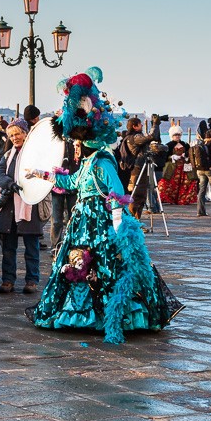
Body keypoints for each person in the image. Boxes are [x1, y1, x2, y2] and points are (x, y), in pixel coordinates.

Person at [26, 67, 183, 344]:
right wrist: (40, 174)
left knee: (106, 265)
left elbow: (117, 192)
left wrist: (119, 225)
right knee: (77, 263)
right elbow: (73, 182)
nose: (75, 147)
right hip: (83, 221)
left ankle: (112, 316)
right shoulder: (87, 162)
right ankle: (79, 314)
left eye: (77, 143)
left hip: (101, 222)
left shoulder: (102, 161)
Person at [0, 118, 43, 294]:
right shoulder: (8, 155)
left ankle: (32, 280)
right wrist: (9, 184)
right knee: (8, 246)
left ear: (25, 133)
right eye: (11, 135)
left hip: (29, 202)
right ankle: (8, 280)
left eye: (17, 134)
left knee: (31, 245)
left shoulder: (36, 153)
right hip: (9, 205)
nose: (15, 138)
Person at [123, 115, 166, 219]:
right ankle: (132, 222)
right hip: (138, 168)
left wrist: (156, 125)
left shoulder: (135, 136)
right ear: (135, 126)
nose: (142, 125)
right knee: (136, 195)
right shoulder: (135, 137)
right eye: (140, 124)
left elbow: (153, 138)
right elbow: (151, 137)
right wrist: (155, 124)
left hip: (141, 166)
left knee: (142, 196)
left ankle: (137, 221)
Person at [50, 139, 80, 255]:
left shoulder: (76, 141)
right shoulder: (54, 142)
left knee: (71, 217)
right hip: (57, 185)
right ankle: (55, 245)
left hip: (73, 183)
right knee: (56, 219)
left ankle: (71, 244)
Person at [158, 125, 197, 205]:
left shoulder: (185, 144)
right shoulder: (168, 145)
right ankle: (169, 199)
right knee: (169, 183)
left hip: (184, 168)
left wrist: (186, 156)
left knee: (186, 183)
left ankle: (183, 199)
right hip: (172, 168)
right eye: (175, 135)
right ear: (172, 136)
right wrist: (172, 157)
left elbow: (190, 155)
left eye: (179, 135)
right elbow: (164, 157)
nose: (177, 136)